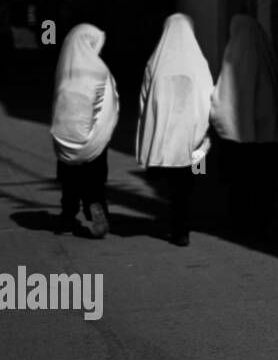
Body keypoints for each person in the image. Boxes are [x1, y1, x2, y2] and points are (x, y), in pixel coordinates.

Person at [136, 13, 214, 247]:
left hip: (167, 134)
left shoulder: (156, 61)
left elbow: (144, 98)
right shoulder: (199, 62)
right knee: (188, 181)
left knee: (173, 185)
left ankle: (177, 226)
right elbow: (208, 96)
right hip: (192, 134)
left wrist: (149, 130)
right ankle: (184, 227)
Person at [211, 14, 278, 243]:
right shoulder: (266, 56)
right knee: (264, 186)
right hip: (267, 136)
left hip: (239, 141)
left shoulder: (233, 55)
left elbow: (221, 101)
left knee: (241, 185)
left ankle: (240, 225)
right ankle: (261, 226)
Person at [50, 23, 119, 238]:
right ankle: (95, 206)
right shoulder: (99, 70)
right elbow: (110, 103)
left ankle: (67, 217)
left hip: (67, 136)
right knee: (95, 180)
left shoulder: (65, 70)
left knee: (69, 180)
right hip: (94, 139)